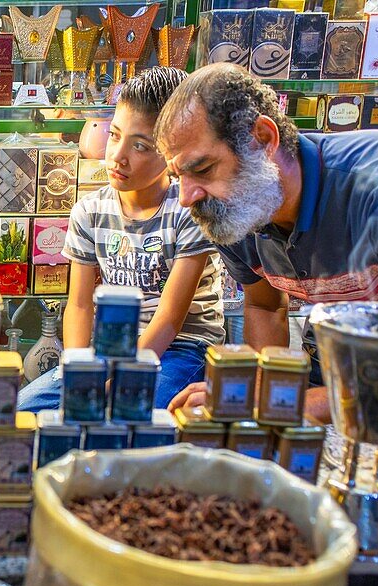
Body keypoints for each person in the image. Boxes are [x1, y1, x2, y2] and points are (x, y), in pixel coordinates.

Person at [156, 63, 378, 422]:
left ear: (263, 139)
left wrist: (260, 405)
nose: (185, 197)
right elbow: (265, 307)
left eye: (201, 169)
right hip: (355, 352)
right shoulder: (235, 207)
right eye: (177, 175)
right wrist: (258, 389)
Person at [17, 66, 225, 412]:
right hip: (110, 343)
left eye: (140, 145)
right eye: (114, 135)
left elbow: (171, 318)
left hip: (182, 348)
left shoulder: (189, 210)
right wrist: (79, 370)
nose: (117, 156)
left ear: (171, 152)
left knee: (122, 414)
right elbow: (80, 305)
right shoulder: (90, 210)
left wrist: (122, 379)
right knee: (22, 413)